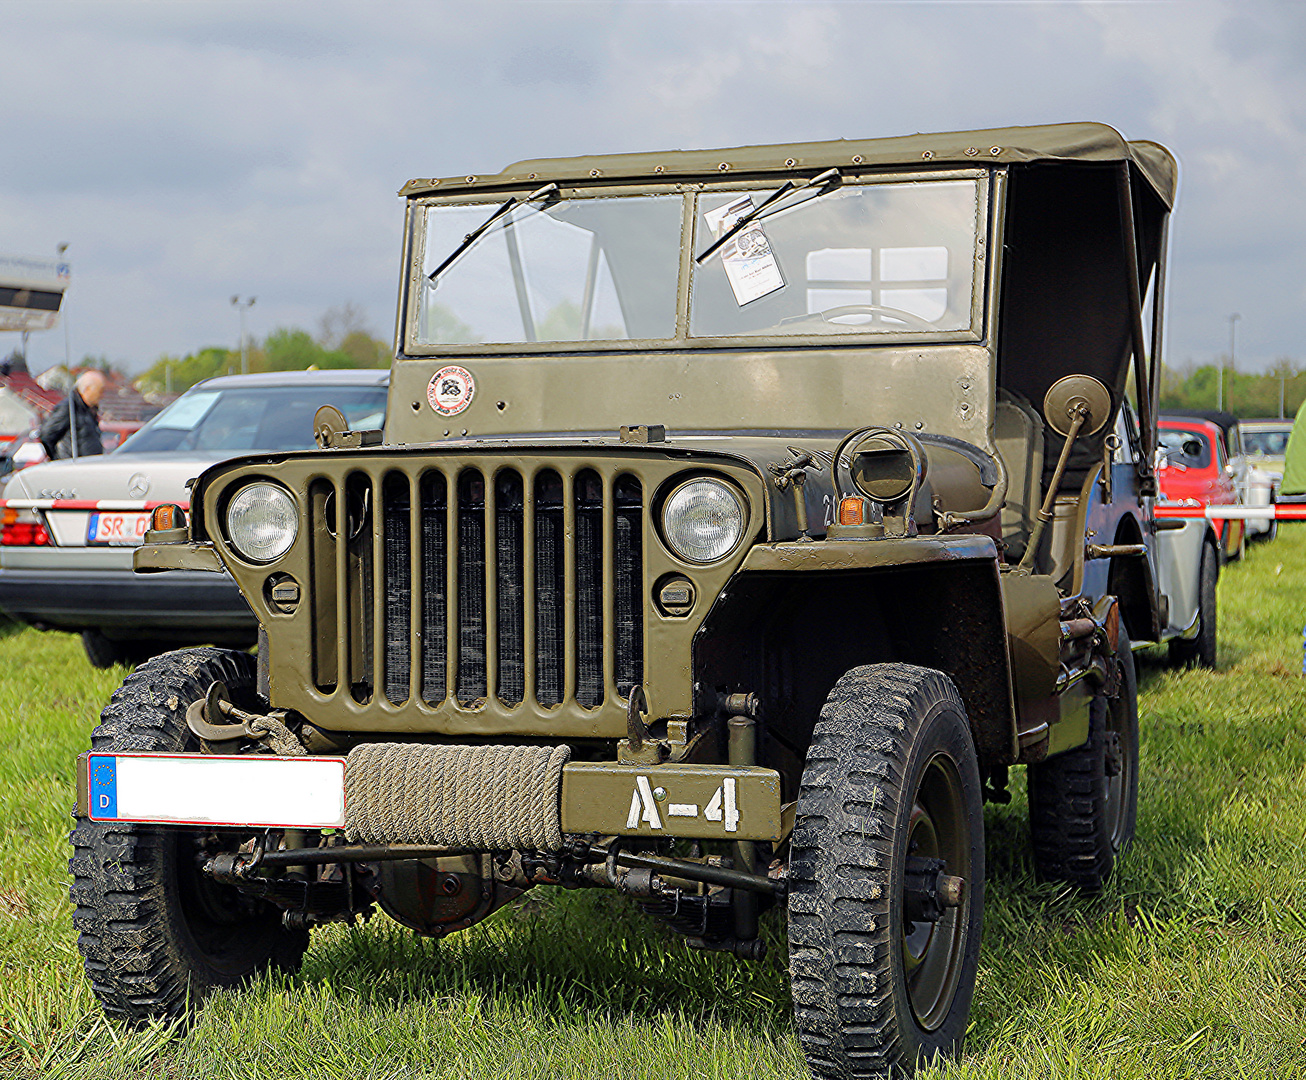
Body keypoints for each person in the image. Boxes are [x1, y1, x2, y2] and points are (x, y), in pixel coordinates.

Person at [38, 370, 107, 460]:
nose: (102, 395)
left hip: (88, 466)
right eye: (100, 391)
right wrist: (59, 459)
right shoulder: (69, 407)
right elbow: (46, 434)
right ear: (87, 389)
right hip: (73, 467)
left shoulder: (88, 410)